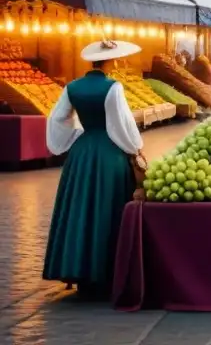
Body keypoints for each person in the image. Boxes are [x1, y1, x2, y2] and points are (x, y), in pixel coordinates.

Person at [43, 39, 145, 298]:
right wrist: (135, 147)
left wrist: (75, 136)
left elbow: (57, 118)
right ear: (110, 62)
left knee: (80, 209)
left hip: (82, 152)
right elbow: (120, 122)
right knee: (107, 207)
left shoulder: (72, 87)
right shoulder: (113, 87)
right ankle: (107, 271)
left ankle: (79, 269)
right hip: (109, 154)